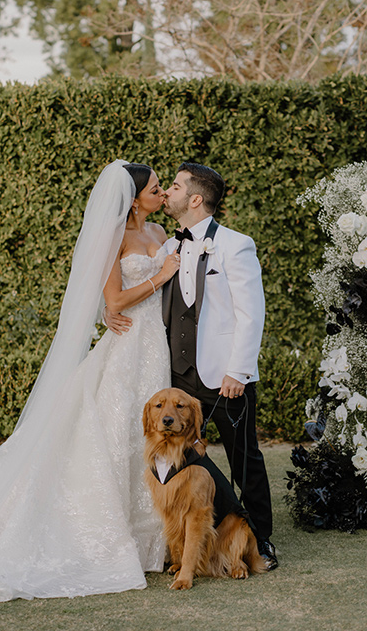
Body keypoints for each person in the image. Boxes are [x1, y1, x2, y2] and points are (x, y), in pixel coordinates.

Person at [0, 160, 179, 601]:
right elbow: (115, 299)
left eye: (162, 187)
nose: (161, 193)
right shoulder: (114, 237)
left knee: (155, 440)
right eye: (155, 188)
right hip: (128, 345)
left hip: (158, 344)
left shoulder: (160, 234)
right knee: (117, 435)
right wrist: (159, 276)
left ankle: (159, 539)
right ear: (133, 199)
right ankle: (115, 537)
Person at [106, 162, 278, 570]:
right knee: (182, 460)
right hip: (177, 379)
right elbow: (139, 292)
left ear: (195, 199)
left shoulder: (236, 245)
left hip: (224, 378)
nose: (167, 192)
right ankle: (179, 537)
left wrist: (238, 370)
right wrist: (108, 314)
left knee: (243, 458)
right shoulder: (166, 245)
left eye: (176, 186)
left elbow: (251, 313)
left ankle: (262, 539)